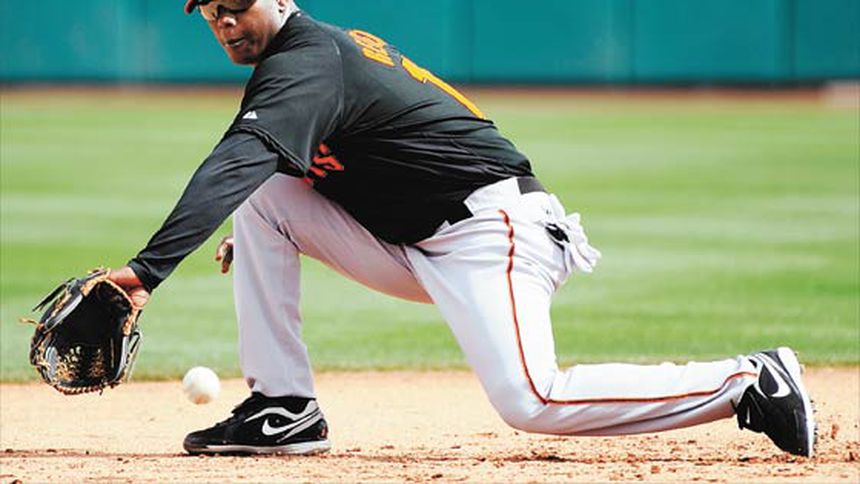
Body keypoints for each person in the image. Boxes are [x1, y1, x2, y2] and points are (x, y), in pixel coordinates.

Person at [107, 0, 816, 457]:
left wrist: (145, 272)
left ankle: (748, 379)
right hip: (423, 240)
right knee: (265, 196)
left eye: (237, 5)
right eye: (212, 13)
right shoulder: (307, 61)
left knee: (532, 400)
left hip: (495, 230)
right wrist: (269, 230)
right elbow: (283, 172)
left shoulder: (308, 61)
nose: (227, 22)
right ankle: (283, 405)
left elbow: (235, 159)